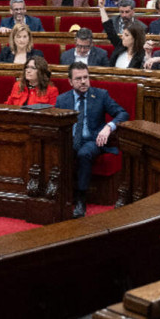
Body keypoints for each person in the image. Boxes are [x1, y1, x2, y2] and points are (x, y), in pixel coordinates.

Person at [55, 63, 129, 218]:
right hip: (70, 140)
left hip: (93, 140)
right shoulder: (62, 100)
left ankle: (81, 198)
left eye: (86, 77)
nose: (83, 81)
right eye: (78, 79)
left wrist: (108, 127)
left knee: (84, 153)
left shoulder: (101, 95)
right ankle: (57, 195)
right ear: (70, 81)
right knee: (56, 152)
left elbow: (122, 113)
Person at [99, 0, 147, 69]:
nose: (122, 37)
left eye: (126, 35)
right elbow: (109, 29)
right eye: (121, 12)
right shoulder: (120, 46)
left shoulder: (141, 55)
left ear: (135, 38)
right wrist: (102, 8)